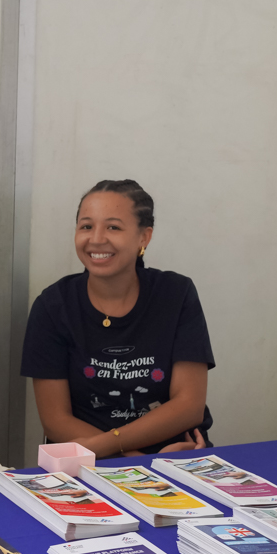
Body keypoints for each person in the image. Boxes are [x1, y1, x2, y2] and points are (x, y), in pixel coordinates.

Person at [21, 179, 214, 459]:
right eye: (86, 226)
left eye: (113, 227)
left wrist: (132, 455)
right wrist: (139, 461)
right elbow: (55, 420)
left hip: (174, 454)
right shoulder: (53, 306)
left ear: (144, 237)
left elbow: (189, 406)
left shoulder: (176, 294)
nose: (97, 238)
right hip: (93, 463)